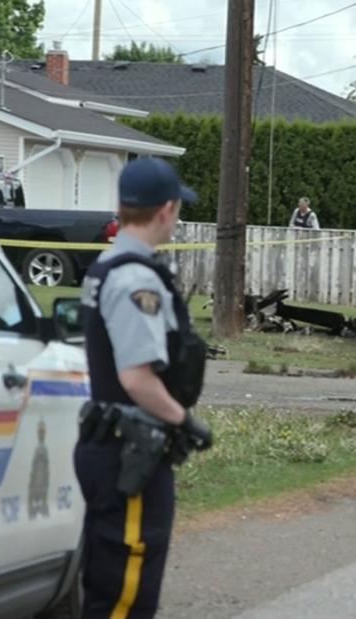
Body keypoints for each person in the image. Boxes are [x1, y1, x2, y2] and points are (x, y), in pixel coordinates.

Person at [75, 158, 212, 619]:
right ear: (166, 209)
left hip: (112, 445)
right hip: (128, 451)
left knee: (110, 581)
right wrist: (184, 421)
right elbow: (136, 377)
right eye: (178, 209)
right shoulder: (135, 278)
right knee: (125, 591)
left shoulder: (107, 264)